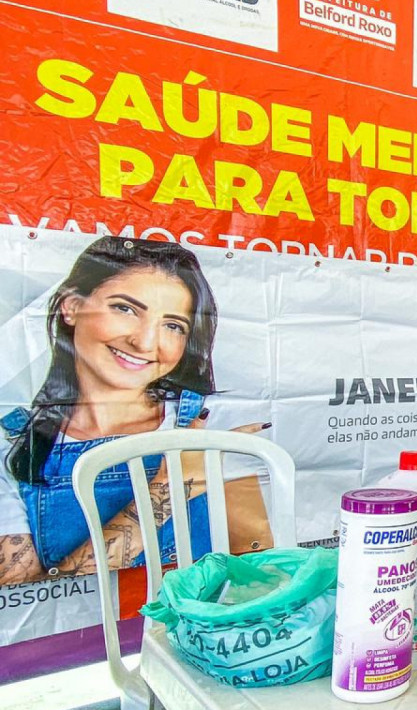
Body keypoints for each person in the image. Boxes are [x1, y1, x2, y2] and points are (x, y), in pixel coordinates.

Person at [0, 236, 271, 586]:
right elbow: (29, 605)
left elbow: (257, 575)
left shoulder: (208, 425)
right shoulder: (12, 444)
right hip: (89, 643)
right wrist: (166, 490)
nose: (144, 342)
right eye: (125, 308)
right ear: (71, 306)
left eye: (173, 326)